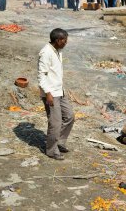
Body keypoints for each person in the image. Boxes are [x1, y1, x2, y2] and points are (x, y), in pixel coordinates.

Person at [38, 28, 75, 161]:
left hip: (60, 91)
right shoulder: (45, 53)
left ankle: (59, 142)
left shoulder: (57, 51)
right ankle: (51, 150)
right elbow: (42, 76)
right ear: (58, 40)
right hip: (51, 93)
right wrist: (48, 93)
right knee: (55, 123)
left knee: (70, 116)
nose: (66, 42)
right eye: (64, 40)